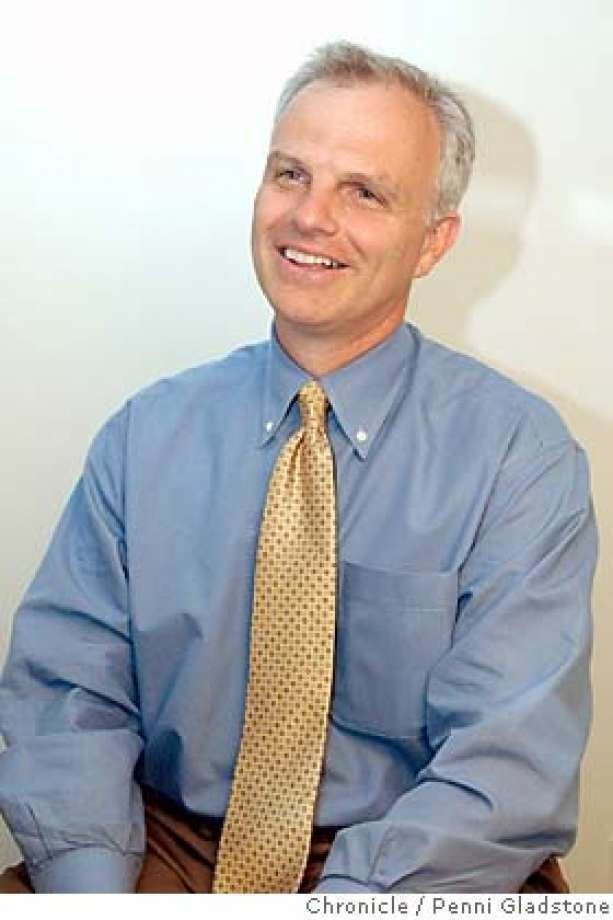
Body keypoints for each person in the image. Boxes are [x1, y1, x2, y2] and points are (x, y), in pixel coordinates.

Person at [0, 41, 597, 894]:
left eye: (363, 191)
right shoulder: (145, 435)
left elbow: (503, 770)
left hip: (420, 862)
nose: (310, 217)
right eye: (290, 175)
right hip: (162, 846)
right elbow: (66, 697)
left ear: (433, 242)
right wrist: (96, 893)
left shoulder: (520, 459)